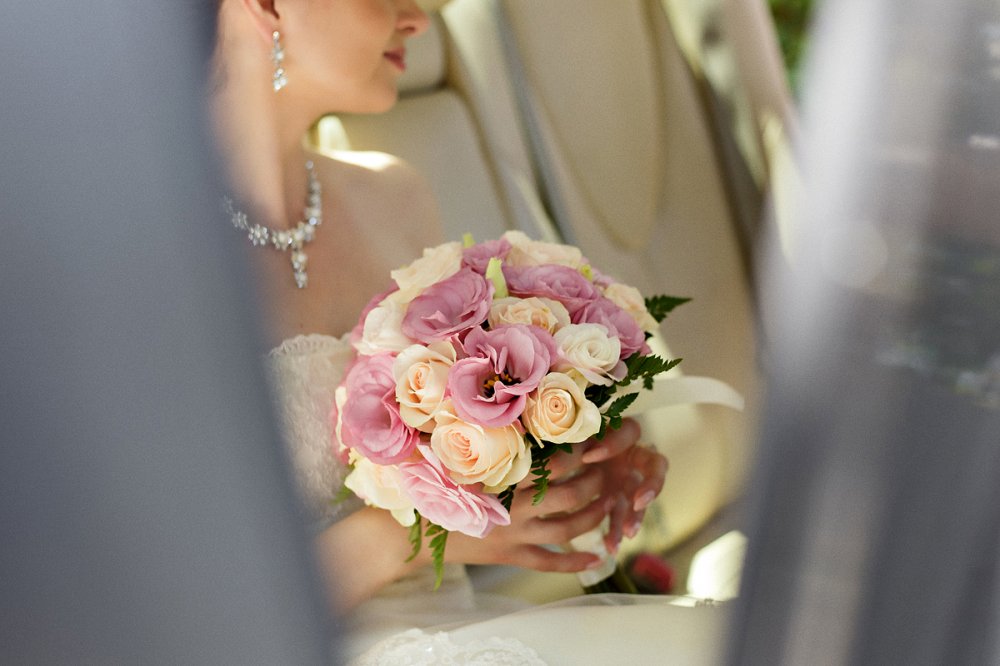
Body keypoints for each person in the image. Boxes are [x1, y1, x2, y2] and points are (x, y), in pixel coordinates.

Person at [209, 1, 718, 662]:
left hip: (459, 632)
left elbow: (463, 479)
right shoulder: (129, 266)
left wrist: (562, 462)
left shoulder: (397, 198)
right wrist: (416, 535)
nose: (416, 18)